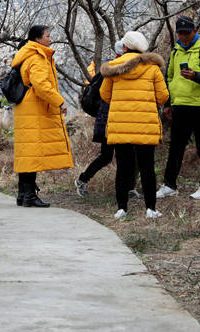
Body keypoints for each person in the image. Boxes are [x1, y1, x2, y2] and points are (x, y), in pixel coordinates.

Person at [99, 31, 169, 219]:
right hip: (145, 125)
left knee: (123, 167)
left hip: (120, 126)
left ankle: (121, 208)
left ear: (124, 47)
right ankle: (151, 209)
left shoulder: (114, 68)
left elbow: (105, 95)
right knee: (147, 167)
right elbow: (163, 96)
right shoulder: (152, 68)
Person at [10, 25, 74, 208]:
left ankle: (23, 194)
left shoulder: (27, 54)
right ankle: (29, 196)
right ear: (38, 39)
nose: (50, 39)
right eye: (47, 36)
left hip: (26, 109)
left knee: (27, 153)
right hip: (35, 110)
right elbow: (41, 85)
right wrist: (59, 101)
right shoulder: (37, 57)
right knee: (33, 153)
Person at [157, 16, 200, 200]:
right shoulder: (176, 52)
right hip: (179, 105)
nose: (183, 37)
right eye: (180, 33)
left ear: (194, 31)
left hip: (199, 105)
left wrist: (195, 76)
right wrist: (168, 104)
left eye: (186, 33)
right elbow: (169, 78)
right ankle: (169, 185)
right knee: (176, 147)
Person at [75, 40, 125, 197]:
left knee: (109, 156)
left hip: (110, 118)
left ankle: (83, 179)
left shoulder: (112, 67)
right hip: (110, 118)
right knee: (111, 155)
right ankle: (83, 179)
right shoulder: (114, 69)